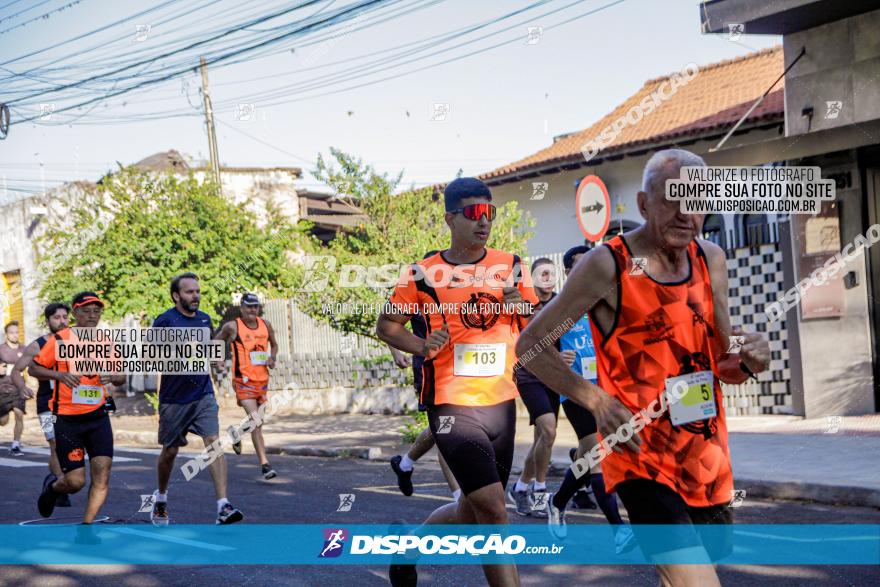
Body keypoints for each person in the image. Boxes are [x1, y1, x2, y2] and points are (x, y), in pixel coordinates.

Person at [518, 149, 770, 587]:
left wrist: (749, 358)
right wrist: (595, 400)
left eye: (697, 199)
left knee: (682, 576)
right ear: (643, 203)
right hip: (639, 455)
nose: (685, 213)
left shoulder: (710, 259)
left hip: (703, 451)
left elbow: (721, 357)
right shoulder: (607, 265)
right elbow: (530, 345)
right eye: (672, 199)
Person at [377, 177, 538, 587]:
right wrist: (421, 344)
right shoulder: (422, 273)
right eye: (473, 213)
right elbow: (387, 325)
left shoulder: (511, 265)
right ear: (450, 218)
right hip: (450, 403)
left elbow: (534, 326)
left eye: (490, 213)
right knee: (494, 509)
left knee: (473, 509)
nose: (483, 222)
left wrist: (527, 312)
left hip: (500, 402)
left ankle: (410, 547)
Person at [544, 245, 635, 554]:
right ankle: (620, 531)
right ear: (570, 272)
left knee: (590, 457)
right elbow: (535, 347)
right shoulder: (559, 306)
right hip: (575, 391)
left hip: (606, 390)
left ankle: (557, 502)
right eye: (582, 267)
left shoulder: (605, 302)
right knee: (597, 457)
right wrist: (558, 356)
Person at [150, 272, 243, 526]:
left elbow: (210, 354)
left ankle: (223, 505)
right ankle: (161, 498)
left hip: (203, 393)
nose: (196, 296)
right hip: (174, 399)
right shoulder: (165, 321)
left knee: (213, 442)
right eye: (190, 292)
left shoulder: (204, 320)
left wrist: (221, 339)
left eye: (198, 291)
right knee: (170, 451)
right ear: (176, 296)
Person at [30, 292, 126, 522]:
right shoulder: (61, 340)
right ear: (76, 313)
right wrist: (60, 375)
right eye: (87, 311)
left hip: (98, 417)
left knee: (102, 475)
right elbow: (34, 369)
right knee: (75, 482)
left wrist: (112, 376)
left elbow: (121, 377)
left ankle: (86, 527)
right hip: (67, 419)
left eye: (97, 311)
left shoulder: (106, 341)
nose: (93, 316)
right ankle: (53, 489)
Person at [389, 250, 461, 502]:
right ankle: (459, 497)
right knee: (446, 430)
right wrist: (396, 352)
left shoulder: (455, 295)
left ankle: (405, 464)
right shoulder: (416, 295)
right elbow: (390, 324)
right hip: (428, 368)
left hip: (457, 368)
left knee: (441, 426)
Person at [507, 258, 559, 518]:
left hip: (554, 375)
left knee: (543, 438)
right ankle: (540, 493)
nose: (548, 278)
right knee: (549, 430)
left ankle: (521, 486)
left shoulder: (563, 303)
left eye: (552, 273)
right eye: (543, 274)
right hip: (528, 373)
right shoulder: (522, 305)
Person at [10, 303, 72, 506]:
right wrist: (21, 388)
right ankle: (59, 484)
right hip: (46, 404)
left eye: (65, 317)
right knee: (53, 443)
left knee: (69, 445)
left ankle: (56, 480)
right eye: (57, 317)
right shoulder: (38, 345)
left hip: (73, 403)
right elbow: (16, 371)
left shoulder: (77, 342)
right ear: (48, 321)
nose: (62, 321)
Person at [214, 293, 278, 480]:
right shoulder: (232, 327)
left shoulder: (266, 325)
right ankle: (265, 465)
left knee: (257, 423)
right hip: (243, 381)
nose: (252, 310)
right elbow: (217, 341)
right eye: (248, 306)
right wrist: (218, 360)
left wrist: (272, 358)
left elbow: (274, 346)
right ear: (241, 308)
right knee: (256, 421)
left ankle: (236, 432)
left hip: (262, 381)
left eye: (255, 307)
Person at [0, 321, 26, 455]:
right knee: (3, 421)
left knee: (19, 414)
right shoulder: (1, 349)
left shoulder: (24, 349)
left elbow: (31, 367)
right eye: (12, 332)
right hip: (3, 389)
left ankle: (16, 444)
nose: (15, 335)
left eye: (17, 332)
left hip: (18, 389)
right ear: (6, 335)